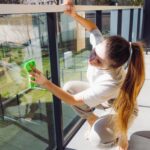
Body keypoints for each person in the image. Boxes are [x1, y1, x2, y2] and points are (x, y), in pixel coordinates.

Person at [30, 0, 145, 149]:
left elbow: (73, 100)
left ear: (112, 67)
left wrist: (46, 83)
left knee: (97, 139)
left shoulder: (112, 83)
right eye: (94, 53)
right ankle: (92, 120)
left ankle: (121, 135)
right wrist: (74, 14)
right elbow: (93, 28)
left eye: (98, 61)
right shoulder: (100, 47)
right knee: (69, 87)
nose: (91, 59)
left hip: (124, 108)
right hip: (106, 99)